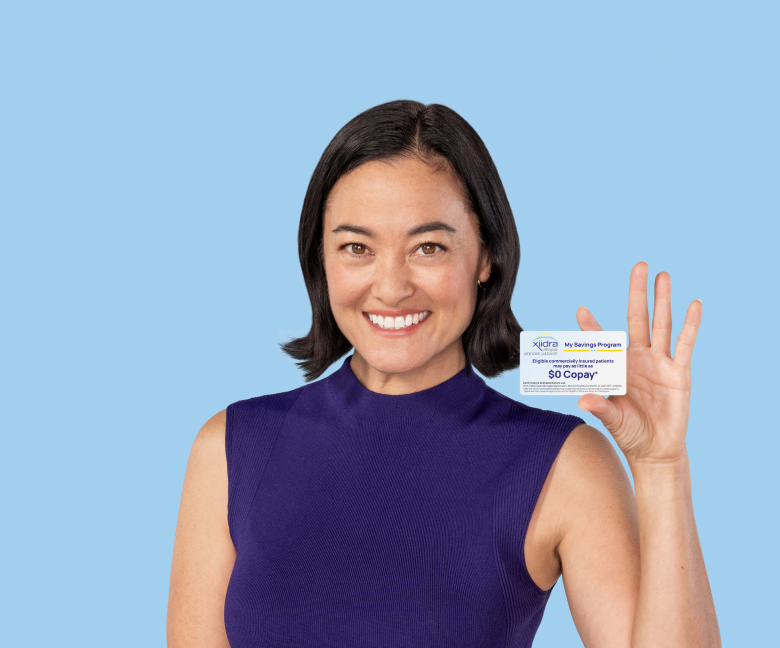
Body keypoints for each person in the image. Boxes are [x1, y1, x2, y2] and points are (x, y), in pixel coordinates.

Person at [167, 100, 721, 647]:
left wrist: (660, 467)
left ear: (486, 258)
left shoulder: (564, 464)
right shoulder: (232, 449)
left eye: (428, 247)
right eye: (356, 247)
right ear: (321, 258)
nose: (390, 286)